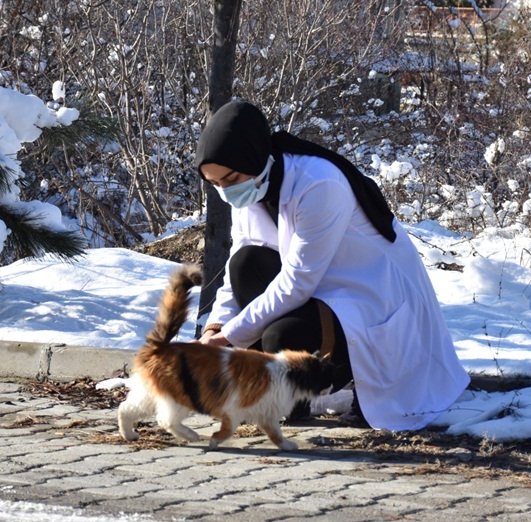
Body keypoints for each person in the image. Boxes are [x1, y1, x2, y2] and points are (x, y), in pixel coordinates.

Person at [195, 100, 469, 431]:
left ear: (253, 157)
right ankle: (288, 399)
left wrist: (229, 338)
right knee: (245, 264)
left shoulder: (318, 184)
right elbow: (234, 270)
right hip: (321, 292)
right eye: (216, 184)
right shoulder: (252, 185)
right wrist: (214, 328)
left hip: (369, 299)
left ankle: (334, 387)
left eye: (230, 178)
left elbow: (297, 282)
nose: (226, 191)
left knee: (283, 336)